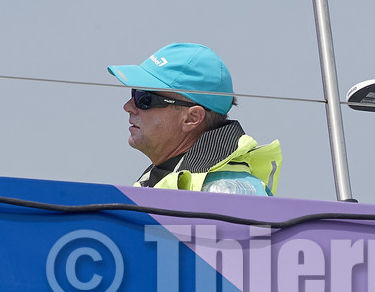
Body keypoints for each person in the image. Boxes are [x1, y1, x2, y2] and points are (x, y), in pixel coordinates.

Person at [108, 42, 281, 195]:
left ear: (191, 118)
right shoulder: (157, 184)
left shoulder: (227, 192)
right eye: (134, 93)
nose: (128, 106)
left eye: (144, 98)